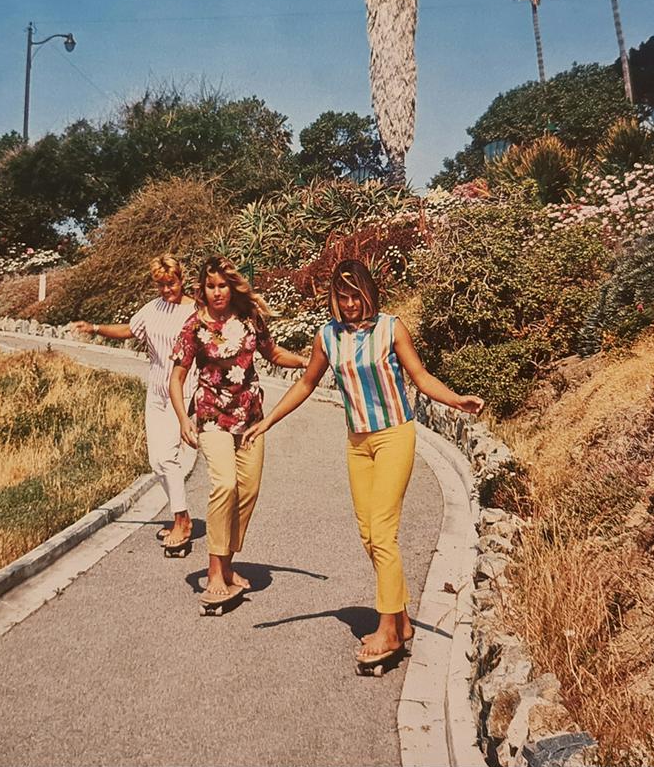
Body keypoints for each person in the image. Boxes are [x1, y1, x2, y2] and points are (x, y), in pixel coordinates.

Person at [242, 259, 484, 666]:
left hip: (394, 435)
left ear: (369, 293)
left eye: (356, 295)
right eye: (343, 296)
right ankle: (403, 619)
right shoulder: (328, 337)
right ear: (334, 299)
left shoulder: (392, 328)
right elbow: (305, 384)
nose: (350, 303)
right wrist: (267, 422)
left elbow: (420, 377)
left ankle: (388, 630)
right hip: (357, 443)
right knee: (369, 535)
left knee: (384, 533)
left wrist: (456, 400)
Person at [169, 255, 308, 599]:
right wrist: (183, 420)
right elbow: (176, 379)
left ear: (232, 287)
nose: (217, 292)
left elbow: (273, 354)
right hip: (212, 416)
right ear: (202, 289)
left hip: (251, 418)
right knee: (225, 485)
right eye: (211, 286)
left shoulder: (250, 319)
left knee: (247, 492)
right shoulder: (193, 326)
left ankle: (227, 562)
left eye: (223, 286)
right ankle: (215, 572)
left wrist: (308, 361)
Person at [70, 254, 198, 550]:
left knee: (168, 457)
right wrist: (94, 328)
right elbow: (130, 329)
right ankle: (182, 516)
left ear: (181, 279)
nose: (167, 290)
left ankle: (182, 520)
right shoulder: (153, 308)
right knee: (156, 461)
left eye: (172, 283)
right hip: (155, 391)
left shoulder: (195, 311)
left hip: (183, 391)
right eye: (161, 285)